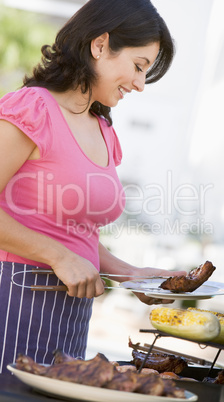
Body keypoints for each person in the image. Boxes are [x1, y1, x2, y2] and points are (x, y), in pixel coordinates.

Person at [0, 0, 186, 373]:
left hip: (72, 313)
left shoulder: (103, 130)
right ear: (99, 45)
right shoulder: (32, 109)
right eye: (138, 67)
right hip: (14, 301)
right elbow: (63, 248)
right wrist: (58, 256)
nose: (139, 84)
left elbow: (76, 232)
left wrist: (128, 272)